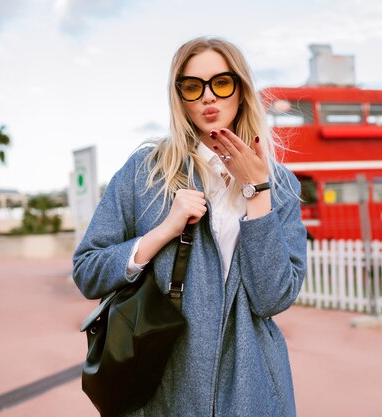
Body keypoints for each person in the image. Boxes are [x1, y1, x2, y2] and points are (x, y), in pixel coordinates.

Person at [72, 37, 307, 417]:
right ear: (180, 97)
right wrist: (162, 231)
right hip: (164, 388)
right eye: (193, 87)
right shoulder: (144, 173)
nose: (208, 97)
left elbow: (273, 299)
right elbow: (87, 271)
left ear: (241, 89)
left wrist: (257, 192)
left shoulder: (280, 186)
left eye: (221, 83)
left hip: (252, 392)